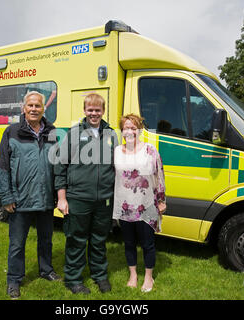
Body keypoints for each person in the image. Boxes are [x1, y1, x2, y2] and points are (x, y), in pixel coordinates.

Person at [0, 91, 61, 299]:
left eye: (38, 106)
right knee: (16, 244)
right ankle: (14, 280)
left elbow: (57, 165)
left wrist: (59, 194)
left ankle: (46, 270)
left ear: (44, 109)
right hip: (20, 199)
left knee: (46, 240)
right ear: (24, 109)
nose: (34, 109)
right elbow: (2, 167)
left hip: (45, 199)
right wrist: (6, 197)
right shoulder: (12, 131)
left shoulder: (51, 132)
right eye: (30, 105)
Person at [54, 93, 118, 294]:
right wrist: (62, 198)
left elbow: (118, 165)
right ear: (84, 111)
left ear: (103, 111)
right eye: (90, 109)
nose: (94, 113)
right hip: (78, 198)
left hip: (104, 199)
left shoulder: (112, 134)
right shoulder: (73, 134)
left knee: (99, 239)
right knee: (76, 240)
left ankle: (100, 275)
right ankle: (73, 279)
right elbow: (60, 166)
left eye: (97, 110)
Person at [113, 113, 166, 293]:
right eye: (126, 127)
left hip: (147, 205)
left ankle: (149, 277)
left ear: (140, 130)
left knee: (147, 243)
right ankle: (133, 274)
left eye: (133, 128)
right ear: (122, 131)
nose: (129, 131)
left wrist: (161, 200)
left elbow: (159, 176)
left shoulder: (150, 150)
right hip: (125, 206)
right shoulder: (117, 151)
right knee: (128, 243)